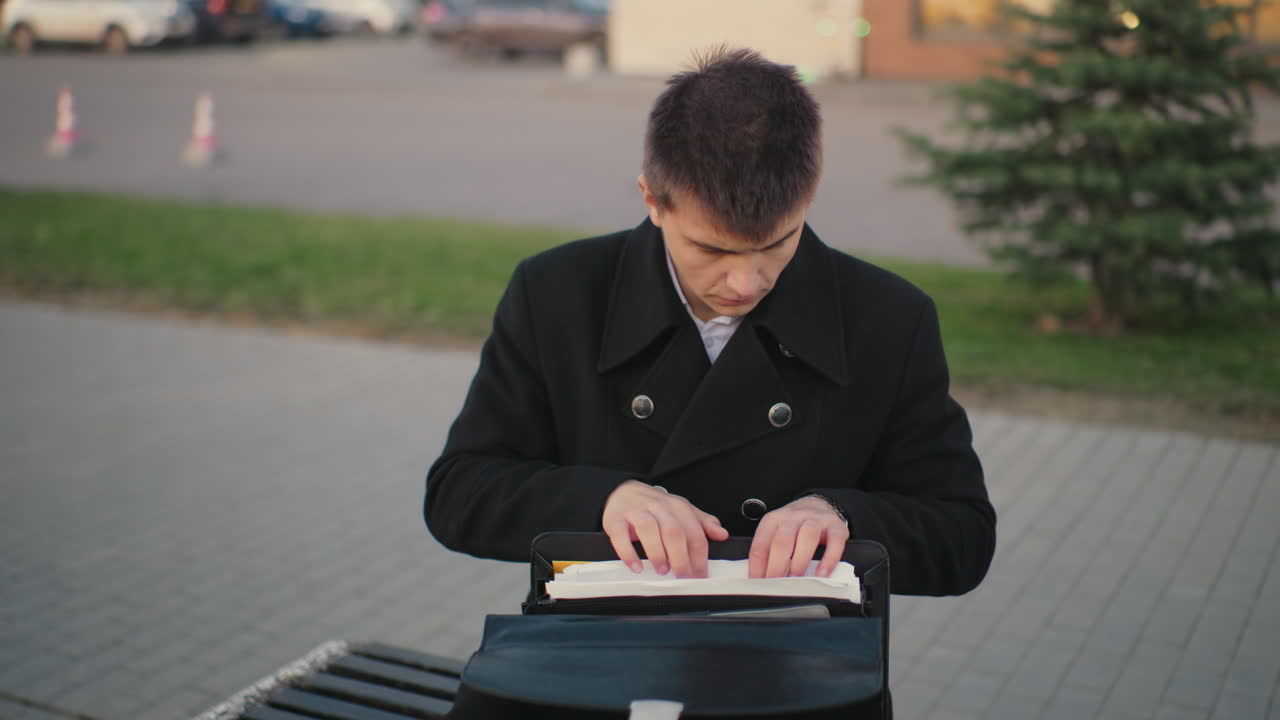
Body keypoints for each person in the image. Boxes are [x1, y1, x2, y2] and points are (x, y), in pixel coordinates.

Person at [425, 47, 995, 596]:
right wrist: (602, 500)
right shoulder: (557, 292)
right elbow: (458, 494)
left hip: (797, 671)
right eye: (712, 251)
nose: (747, 284)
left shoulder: (889, 317)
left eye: (777, 243)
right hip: (600, 662)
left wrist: (844, 516)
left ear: (810, 194)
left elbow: (963, 537)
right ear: (652, 199)